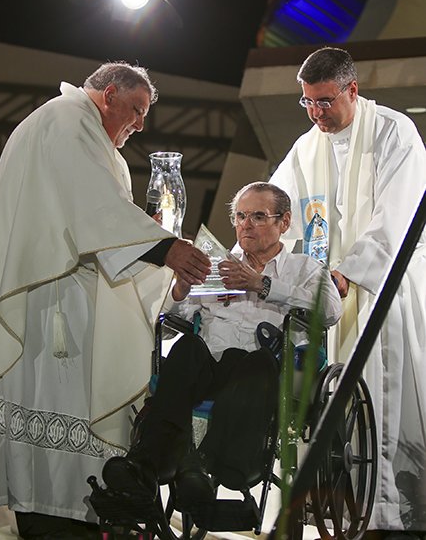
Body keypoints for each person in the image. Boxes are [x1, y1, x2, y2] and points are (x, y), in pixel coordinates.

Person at [0, 62, 211, 540]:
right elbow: (94, 208)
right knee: (61, 407)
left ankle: (67, 514)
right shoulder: (69, 119)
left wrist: (162, 266)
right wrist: (167, 247)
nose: (140, 124)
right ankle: (55, 517)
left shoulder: (84, 133)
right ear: (108, 94)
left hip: (67, 296)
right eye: (136, 110)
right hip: (54, 304)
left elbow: (105, 226)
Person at [102, 182, 342, 510]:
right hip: (209, 369)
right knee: (186, 347)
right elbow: (175, 323)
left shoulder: (304, 269)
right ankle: (146, 462)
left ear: (284, 223)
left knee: (252, 360)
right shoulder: (214, 265)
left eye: (258, 216)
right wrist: (182, 288)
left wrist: (263, 285)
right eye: (240, 216)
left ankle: (204, 461)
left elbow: (330, 311)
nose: (246, 224)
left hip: (264, 374)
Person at [269, 47, 426, 536]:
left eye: (324, 101)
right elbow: (277, 204)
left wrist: (351, 271)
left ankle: (392, 511)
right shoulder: (307, 147)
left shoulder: (394, 131)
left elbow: (397, 216)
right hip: (327, 294)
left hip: (384, 286)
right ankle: (339, 504)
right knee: (327, 399)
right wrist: (246, 253)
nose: (316, 114)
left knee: (386, 398)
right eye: (307, 103)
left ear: (352, 90)